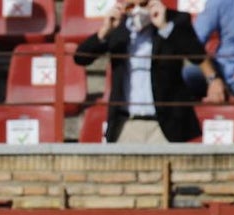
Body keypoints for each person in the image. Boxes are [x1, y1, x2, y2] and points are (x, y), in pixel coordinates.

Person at [74, 0, 214, 143]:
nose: (137, 11)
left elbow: (196, 55)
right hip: (127, 124)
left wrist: (165, 27)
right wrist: (104, 31)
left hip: (165, 125)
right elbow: (80, 58)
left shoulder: (175, 21)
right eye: (131, 6)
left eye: (143, 5)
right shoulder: (119, 27)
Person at [183, 0, 234, 140]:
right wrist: (212, 78)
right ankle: (183, 135)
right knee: (185, 74)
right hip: (220, 66)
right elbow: (194, 42)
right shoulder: (219, 2)